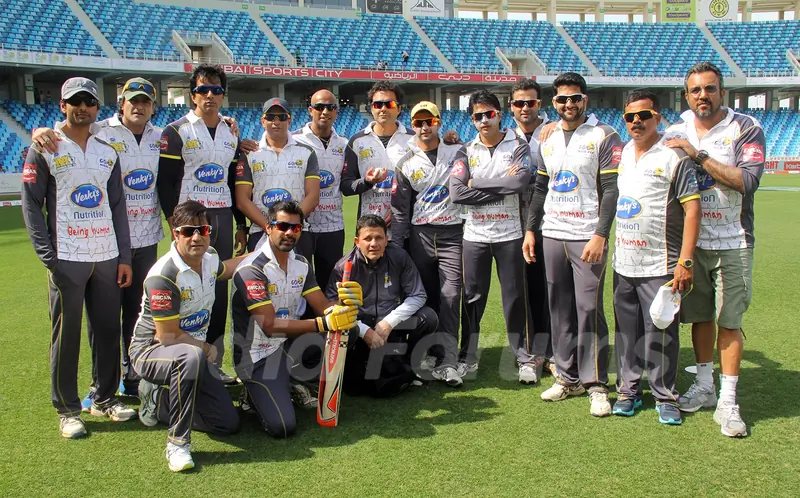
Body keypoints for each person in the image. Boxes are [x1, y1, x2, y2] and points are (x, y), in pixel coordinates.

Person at [33, 77, 164, 400]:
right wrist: (40, 132)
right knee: (82, 326)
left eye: (146, 101)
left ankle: (123, 383)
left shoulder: (160, 137)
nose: (139, 106)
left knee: (129, 318)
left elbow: (116, 204)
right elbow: (33, 200)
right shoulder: (95, 133)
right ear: (121, 103)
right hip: (83, 249)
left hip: (137, 241)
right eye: (133, 100)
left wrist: (234, 130)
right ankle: (81, 398)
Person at [21, 77, 136, 439]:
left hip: (106, 254)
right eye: (75, 101)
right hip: (67, 256)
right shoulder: (45, 146)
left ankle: (105, 398)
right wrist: (48, 257)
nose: (82, 107)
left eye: (89, 101)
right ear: (62, 106)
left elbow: (118, 207)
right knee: (66, 335)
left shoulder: (107, 150)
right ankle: (68, 409)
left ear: (97, 107)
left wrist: (124, 257)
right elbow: (30, 204)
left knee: (107, 330)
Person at [664, 62, 766, 437]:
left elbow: (747, 181)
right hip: (692, 243)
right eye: (695, 91)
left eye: (709, 89)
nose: (702, 96)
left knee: (729, 321)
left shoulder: (745, 127)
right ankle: (705, 386)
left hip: (733, 241)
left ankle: (728, 401)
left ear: (722, 91)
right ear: (686, 96)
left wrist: (697, 154)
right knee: (700, 317)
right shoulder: (674, 131)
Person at [525, 72, 623, 416]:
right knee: (559, 309)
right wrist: (530, 230)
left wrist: (600, 234)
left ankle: (596, 384)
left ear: (586, 100)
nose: (570, 104)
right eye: (563, 99)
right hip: (553, 232)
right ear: (554, 103)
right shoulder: (546, 138)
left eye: (576, 98)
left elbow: (611, 191)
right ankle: (567, 377)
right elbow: (540, 189)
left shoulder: (604, 135)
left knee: (589, 310)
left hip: (586, 236)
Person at [130, 201, 245, 472]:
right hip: (150, 352)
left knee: (227, 424)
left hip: (191, 354)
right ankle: (178, 444)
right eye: (188, 231)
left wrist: (263, 253)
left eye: (202, 229)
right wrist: (205, 347)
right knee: (190, 355)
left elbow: (226, 269)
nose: (197, 237)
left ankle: (157, 403)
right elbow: (168, 336)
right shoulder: (164, 275)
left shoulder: (210, 258)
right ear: (175, 233)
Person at [230, 201, 360, 437]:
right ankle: (253, 391)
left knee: (349, 330)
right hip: (256, 355)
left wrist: (346, 306)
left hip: (287, 346)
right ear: (268, 228)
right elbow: (269, 326)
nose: (290, 232)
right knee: (282, 426)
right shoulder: (251, 269)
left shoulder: (300, 264)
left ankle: (289, 380)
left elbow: (323, 307)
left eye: (296, 228)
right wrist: (323, 322)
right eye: (282, 226)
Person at [612, 90, 701, 425]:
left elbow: (693, 210)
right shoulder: (622, 155)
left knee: (662, 330)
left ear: (658, 118)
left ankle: (665, 395)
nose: (637, 122)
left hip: (661, 263)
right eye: (630, 117)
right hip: (624, 262)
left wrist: (685, 261)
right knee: (627, 333)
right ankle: (629, 390)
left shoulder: (673, 156)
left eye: (644, 115)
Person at [157, 64, 246, 375]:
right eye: (203, 90)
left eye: (216, 90)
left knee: (218, 292)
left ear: (223, 95)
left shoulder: (231, 130)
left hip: (221, 216)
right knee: (186, 289)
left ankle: (214, 362)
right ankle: (181, 359)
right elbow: (165, 182)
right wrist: (174, 222)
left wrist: (242, 225)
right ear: (192, 94)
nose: (209, 95)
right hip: (190, 221)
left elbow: (235, 184)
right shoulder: (177, 130)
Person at [449, 90, 537, 383]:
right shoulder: (465, 150)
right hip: (474, 235)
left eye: (489, 114)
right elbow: (457, 192)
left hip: (510, 234)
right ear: (472, 120)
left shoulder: (518, 145)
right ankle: (468, 356)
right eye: (478, 116)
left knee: (514, 297)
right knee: (472, 298)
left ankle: (523, 357)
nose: (484, 120)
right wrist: (501, 185)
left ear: (500, 114)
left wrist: (477, 182)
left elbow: (521, 181)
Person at [392, 101, 464, 387]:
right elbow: (400, 210)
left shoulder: (458, 151)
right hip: (420, 236)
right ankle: (426, 354)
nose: (424, 127)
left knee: (450, 296)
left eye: (429, 122)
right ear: (413, 125)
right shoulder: (406, 161)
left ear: (438, 121)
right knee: (424, 299)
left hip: (453, 235)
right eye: (419, 123)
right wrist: (397, 247)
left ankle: (448, 360)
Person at [326, 215, 437, 397]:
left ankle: (410, 365)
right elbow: (331, 307)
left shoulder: (399, 256)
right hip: (361, 326)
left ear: (386, 240)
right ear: (357, 241)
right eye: (367, 238)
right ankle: (346, 369)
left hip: (389, 323)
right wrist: (364, 331)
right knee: (345, 330)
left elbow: (418, 294)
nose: (373, 244)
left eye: (379, 238)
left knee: (428, 317)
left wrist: (389, 322)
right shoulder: (343, 267)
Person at [234, 97, 320, 255]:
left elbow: (313, 197)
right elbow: (242, 200)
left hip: (297, 232)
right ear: (262, 121)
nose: (276, 122)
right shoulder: (249, 153)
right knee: (260, 279)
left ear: (289, 120)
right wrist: (270, 227)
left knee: (298, 278)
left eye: (281, 117)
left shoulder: (307, 152)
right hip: (260, 231)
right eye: (270, 117)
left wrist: (289, 226)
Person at [511, 77, 554, 382]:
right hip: (512, 224)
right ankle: (530, 352)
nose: (525, 108)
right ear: (510, 107)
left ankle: (551, 350)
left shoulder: (554, 132)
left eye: (531, 102)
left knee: (549, 288)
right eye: (518, 103)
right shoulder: (505, 135)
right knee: (522, 290)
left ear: (540, 104)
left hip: (549, 222)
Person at [293, 89, 349, 292]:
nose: (325, 111)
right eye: (319, 107)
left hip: (333, 225)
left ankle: (328, 324)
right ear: (310, 110)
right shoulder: (294, 140)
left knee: (330, 283)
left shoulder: (344, 144)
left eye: (331, 107)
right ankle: (305, 324)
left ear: (336, 111)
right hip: (304, 225)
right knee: (301, 282)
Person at [341, 81, 413, 238]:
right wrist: (366, 182)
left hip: (405, 228)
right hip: (369, 230)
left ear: (399, 108)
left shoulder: (414, 140)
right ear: (371, 108)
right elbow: (346, 186)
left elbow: (423, 186)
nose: (383, 109)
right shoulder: (357, 141)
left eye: (390, 104)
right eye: (378, 104)